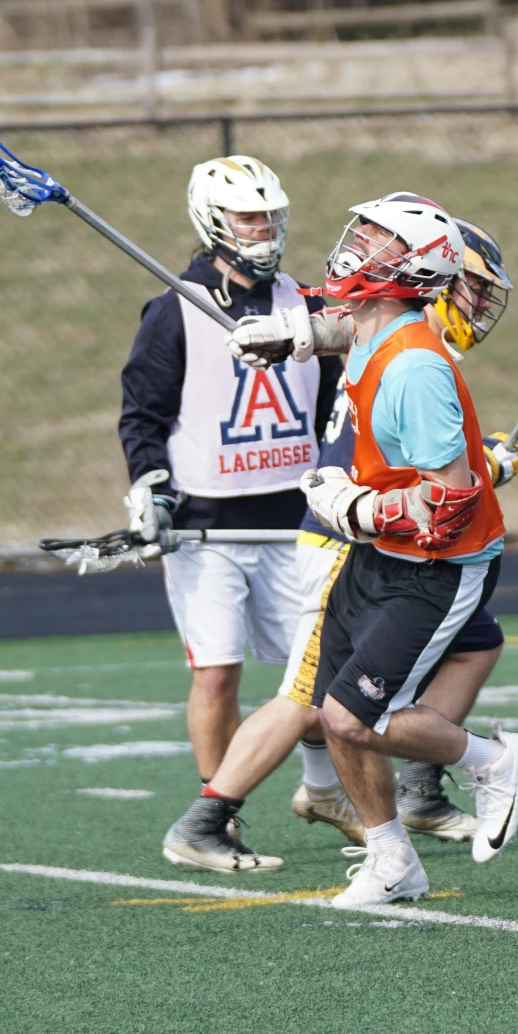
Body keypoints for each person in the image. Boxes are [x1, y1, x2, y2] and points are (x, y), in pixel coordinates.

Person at [159, 221, 518, 871]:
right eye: (469, 288)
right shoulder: (403, 350)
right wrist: (293, 338)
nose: (474, 305)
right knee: (315, 699)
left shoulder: (396, 342)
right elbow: (434, 492)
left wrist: (294, 336)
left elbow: (436, 478)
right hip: (352, 538)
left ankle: (402, 786)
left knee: (476, 644)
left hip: (383, 531)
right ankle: (208, 815)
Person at [291, 193, 518, 910]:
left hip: (436, 564)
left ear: (408, 268)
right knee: (325, 706)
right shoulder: (372, 324)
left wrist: (351, 503)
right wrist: (283, 334)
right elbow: (337, 326)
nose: (357, 241)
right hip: (378, 557)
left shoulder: (417, 367)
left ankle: (496, 759)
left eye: (377, 237)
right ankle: (392, 860)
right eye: (363, 228)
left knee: (351, 716)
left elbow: (448, 500)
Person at [116, 156, 339, 855]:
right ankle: (220, 816)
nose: (264, 228)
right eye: (249, 216)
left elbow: (335, 408)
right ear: (215, 222)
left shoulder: (305, 307)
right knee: (217, 672)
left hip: (297, 521)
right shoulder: (174, 309)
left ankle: (326, 791)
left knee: (318, 677)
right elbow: (141, 415)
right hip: (208, 528)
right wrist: (149, 483)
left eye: (271, 214)